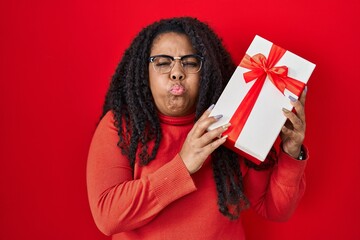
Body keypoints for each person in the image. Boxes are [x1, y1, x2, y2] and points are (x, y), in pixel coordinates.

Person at [86, 17, 308, 239]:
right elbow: (107, 217)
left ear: (206, 71)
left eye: (190, 62)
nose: (177, 72)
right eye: (162, 62)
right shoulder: (121, 125)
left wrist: (290, 152)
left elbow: (275, 210)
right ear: (145, 72)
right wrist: (183, 166)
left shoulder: (231, 123)